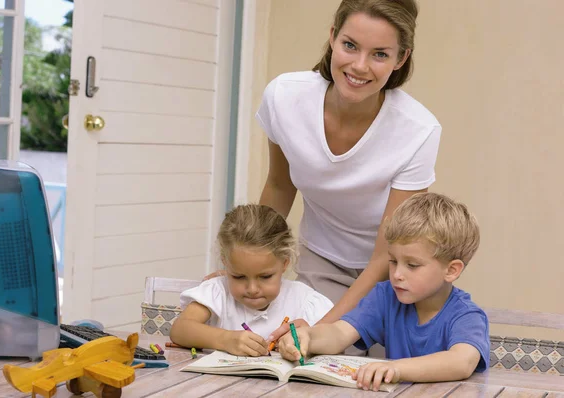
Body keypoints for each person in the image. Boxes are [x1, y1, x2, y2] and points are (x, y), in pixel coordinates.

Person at [259, 0, 442, 341]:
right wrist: (246, 261)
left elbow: (389, 250)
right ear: (332, 37)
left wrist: (322, 331)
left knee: (374, 374)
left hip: (391, 272)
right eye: (350, 45)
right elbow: (279, 186)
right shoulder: (284, 97)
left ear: (401, 59)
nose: (359, 66)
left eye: (380, 54)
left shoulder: (418, 130)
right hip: (321, 260)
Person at [278, 193, 490, 391]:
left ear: (451, 270)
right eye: (393, 261)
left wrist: (397, 369)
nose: (397, 274)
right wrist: (308, 336)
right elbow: (340, 333)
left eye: (412, 265)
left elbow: (461, 362)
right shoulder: (386, 296)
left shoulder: (467, 316)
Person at [170, 204, 334, 356]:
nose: (252, 288)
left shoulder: (303, 300)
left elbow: (336, 339)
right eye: (239, 277)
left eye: (265, 277)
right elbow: (179, 330)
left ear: (285, 263)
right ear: (226, 263)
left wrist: (309, 338)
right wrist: (226, 339)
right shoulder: (218, 292)